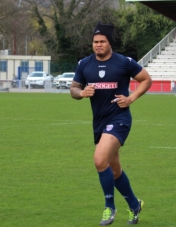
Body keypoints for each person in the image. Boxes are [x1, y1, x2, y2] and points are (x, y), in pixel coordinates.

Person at [70, 22, 152, 226]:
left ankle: (109, 207)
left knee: (99, 160)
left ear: (109, 43)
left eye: (102, 41)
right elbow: (73, 88)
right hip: (99, 122)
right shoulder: (84, 64)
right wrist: (81, 93)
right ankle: (134, 205)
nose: (98, 45)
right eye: (95, 42)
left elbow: (146, 80)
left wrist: (130, 98)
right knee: (114, 170)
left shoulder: (124, 62)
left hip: (119, 119)